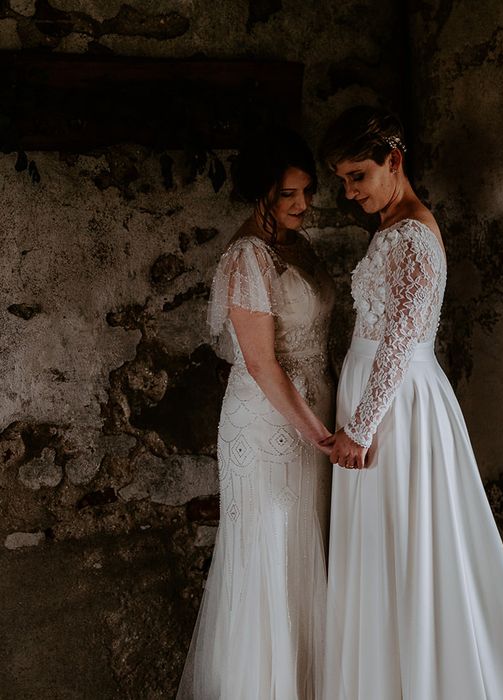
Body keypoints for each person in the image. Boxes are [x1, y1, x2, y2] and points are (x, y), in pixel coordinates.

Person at [319, 106, 503, 700]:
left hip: (397, 407)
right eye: (343, 181)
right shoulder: (389, 227)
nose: (350, 193)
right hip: (374, 396)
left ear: (393, 161)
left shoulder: (414, 237)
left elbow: (401, 342)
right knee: (378, 547)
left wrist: (361, 425)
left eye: (358, 176)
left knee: (412, 545)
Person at [176, 128, 335, 700]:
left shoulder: (297, 244)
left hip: (312, 410)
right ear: (261, 195)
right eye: (289, 195)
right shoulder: (247, 257)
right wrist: (318, 432)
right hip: (270, 421)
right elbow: (263, 364)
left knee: (306, 545)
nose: (303, 204)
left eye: (307, 191)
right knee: (273, 546)